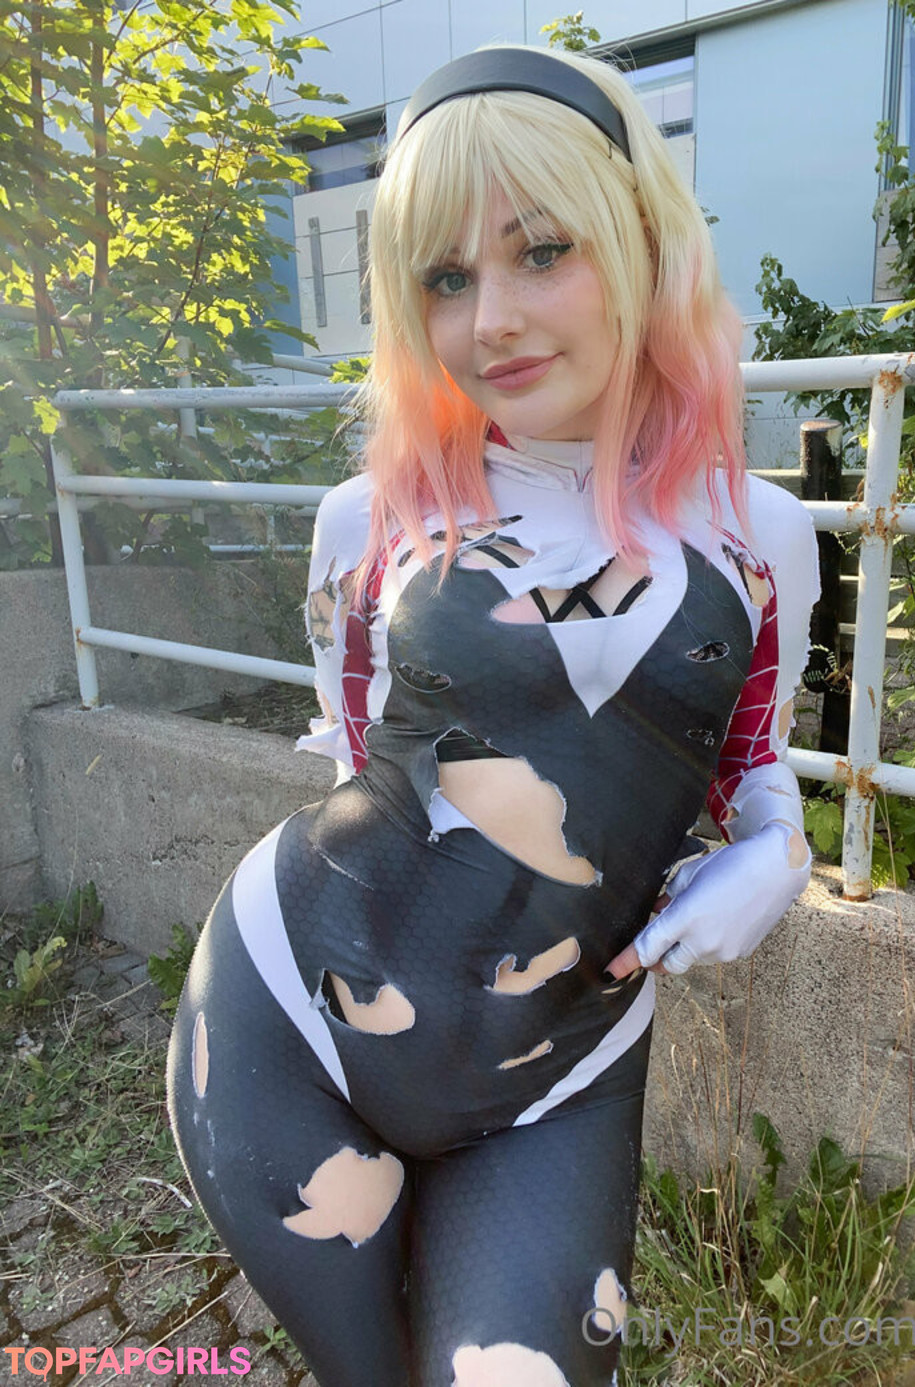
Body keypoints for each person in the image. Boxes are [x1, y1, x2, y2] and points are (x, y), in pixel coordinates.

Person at [167, 44, 820, 1387]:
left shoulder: (761, 537)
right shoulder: (369, 519)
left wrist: (782, 853)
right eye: (446, 279)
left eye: (543, 251)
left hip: (561, 1072)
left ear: (642, 243)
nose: (491, 322)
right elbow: (361, 766)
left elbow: (753, 766)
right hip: (289, 1016)